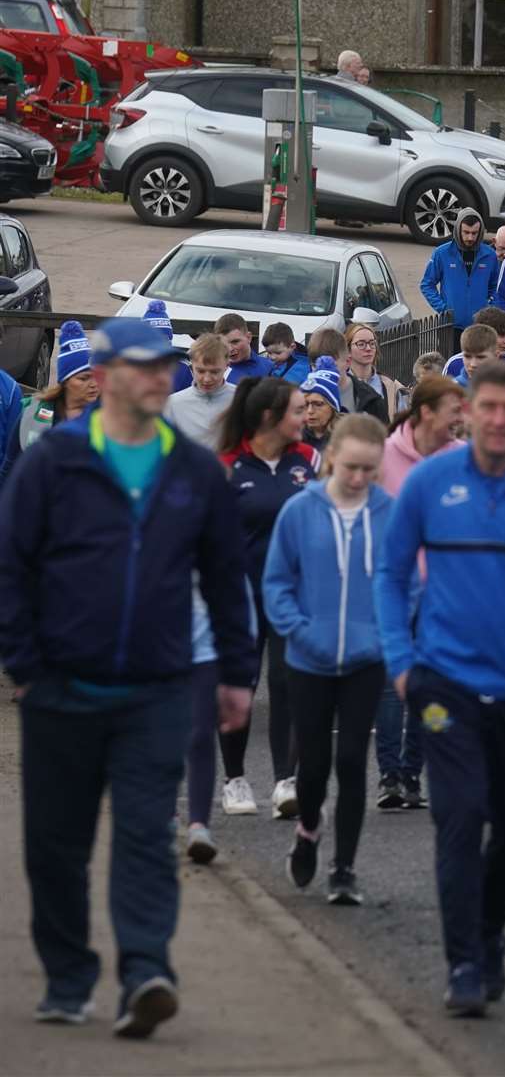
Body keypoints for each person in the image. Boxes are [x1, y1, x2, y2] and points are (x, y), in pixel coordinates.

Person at [0, 318, 255, 1036]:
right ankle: (67, 977)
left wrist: (237, 672)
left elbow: (225, 578)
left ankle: (146, 972)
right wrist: (25, 663)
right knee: (57, 844)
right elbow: (12, 567)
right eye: (145, 367)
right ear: (106, 376)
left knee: (146, 836)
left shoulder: (193, 469)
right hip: (60, 688)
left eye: (165, 366)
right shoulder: (56, 460)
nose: (160, 377)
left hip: (157, 689)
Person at [380, 358, 505, 1018]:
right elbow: (389, 576)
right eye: (487, 407)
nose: (498, 420)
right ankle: (463, 961)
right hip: (447, 685)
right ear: (468, 412)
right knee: (459, 818)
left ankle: (491, 934)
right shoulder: (430, 482)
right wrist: (402, 663)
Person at [262, 413, 391, 905]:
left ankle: (344, 868)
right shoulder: (301, 510)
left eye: (369, 470)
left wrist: (382, 636)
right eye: (351, 468)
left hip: (366, 658)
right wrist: (299, 631)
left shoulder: (391, 512)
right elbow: (276, 582)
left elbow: (406, 584)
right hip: (309, 658)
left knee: (354, 760)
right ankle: (309, 830)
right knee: (313, 765)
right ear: (331, 457)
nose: (359, 479)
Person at [216, 376, 314, 818]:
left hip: (293, 597)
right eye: (298, 410)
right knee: (239, 687)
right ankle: (234, 779)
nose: (307, 416)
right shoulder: (227, 465)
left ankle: (285, 781)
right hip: (239, 596)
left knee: (288, 684)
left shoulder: (309, 460)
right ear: (270, 417)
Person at [374, 374, 464, 810]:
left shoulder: (461, 457)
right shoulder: (385, 456)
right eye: (453, 411)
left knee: (433, 685)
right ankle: (390, 773)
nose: (460, 420)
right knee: (393, 683)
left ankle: (413, 773)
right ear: (427, 412)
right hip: (395, 583)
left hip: (445, 589)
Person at [13, 321, 100, 457]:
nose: (94, 384)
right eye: (83, 378)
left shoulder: (108, 416)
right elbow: (10, 464)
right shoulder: (33, 413)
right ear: (65, 381)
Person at [421, 208, 498, 330]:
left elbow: (496, 287)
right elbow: (426, 284)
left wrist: (489, 306)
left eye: (474, 233)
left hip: (480, 326)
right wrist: (443, 308)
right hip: (450, 326)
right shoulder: (442, 253)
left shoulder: (490, 255)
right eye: (466, 232)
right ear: (458, 230)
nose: (470, 238)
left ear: (480, 231)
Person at [345, 322, 403, 415]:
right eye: (361, 344)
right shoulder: (340, 384)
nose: (368, 348)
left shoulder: (391, 387)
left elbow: (402, 425)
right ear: (348, 350)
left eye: (372, 343)